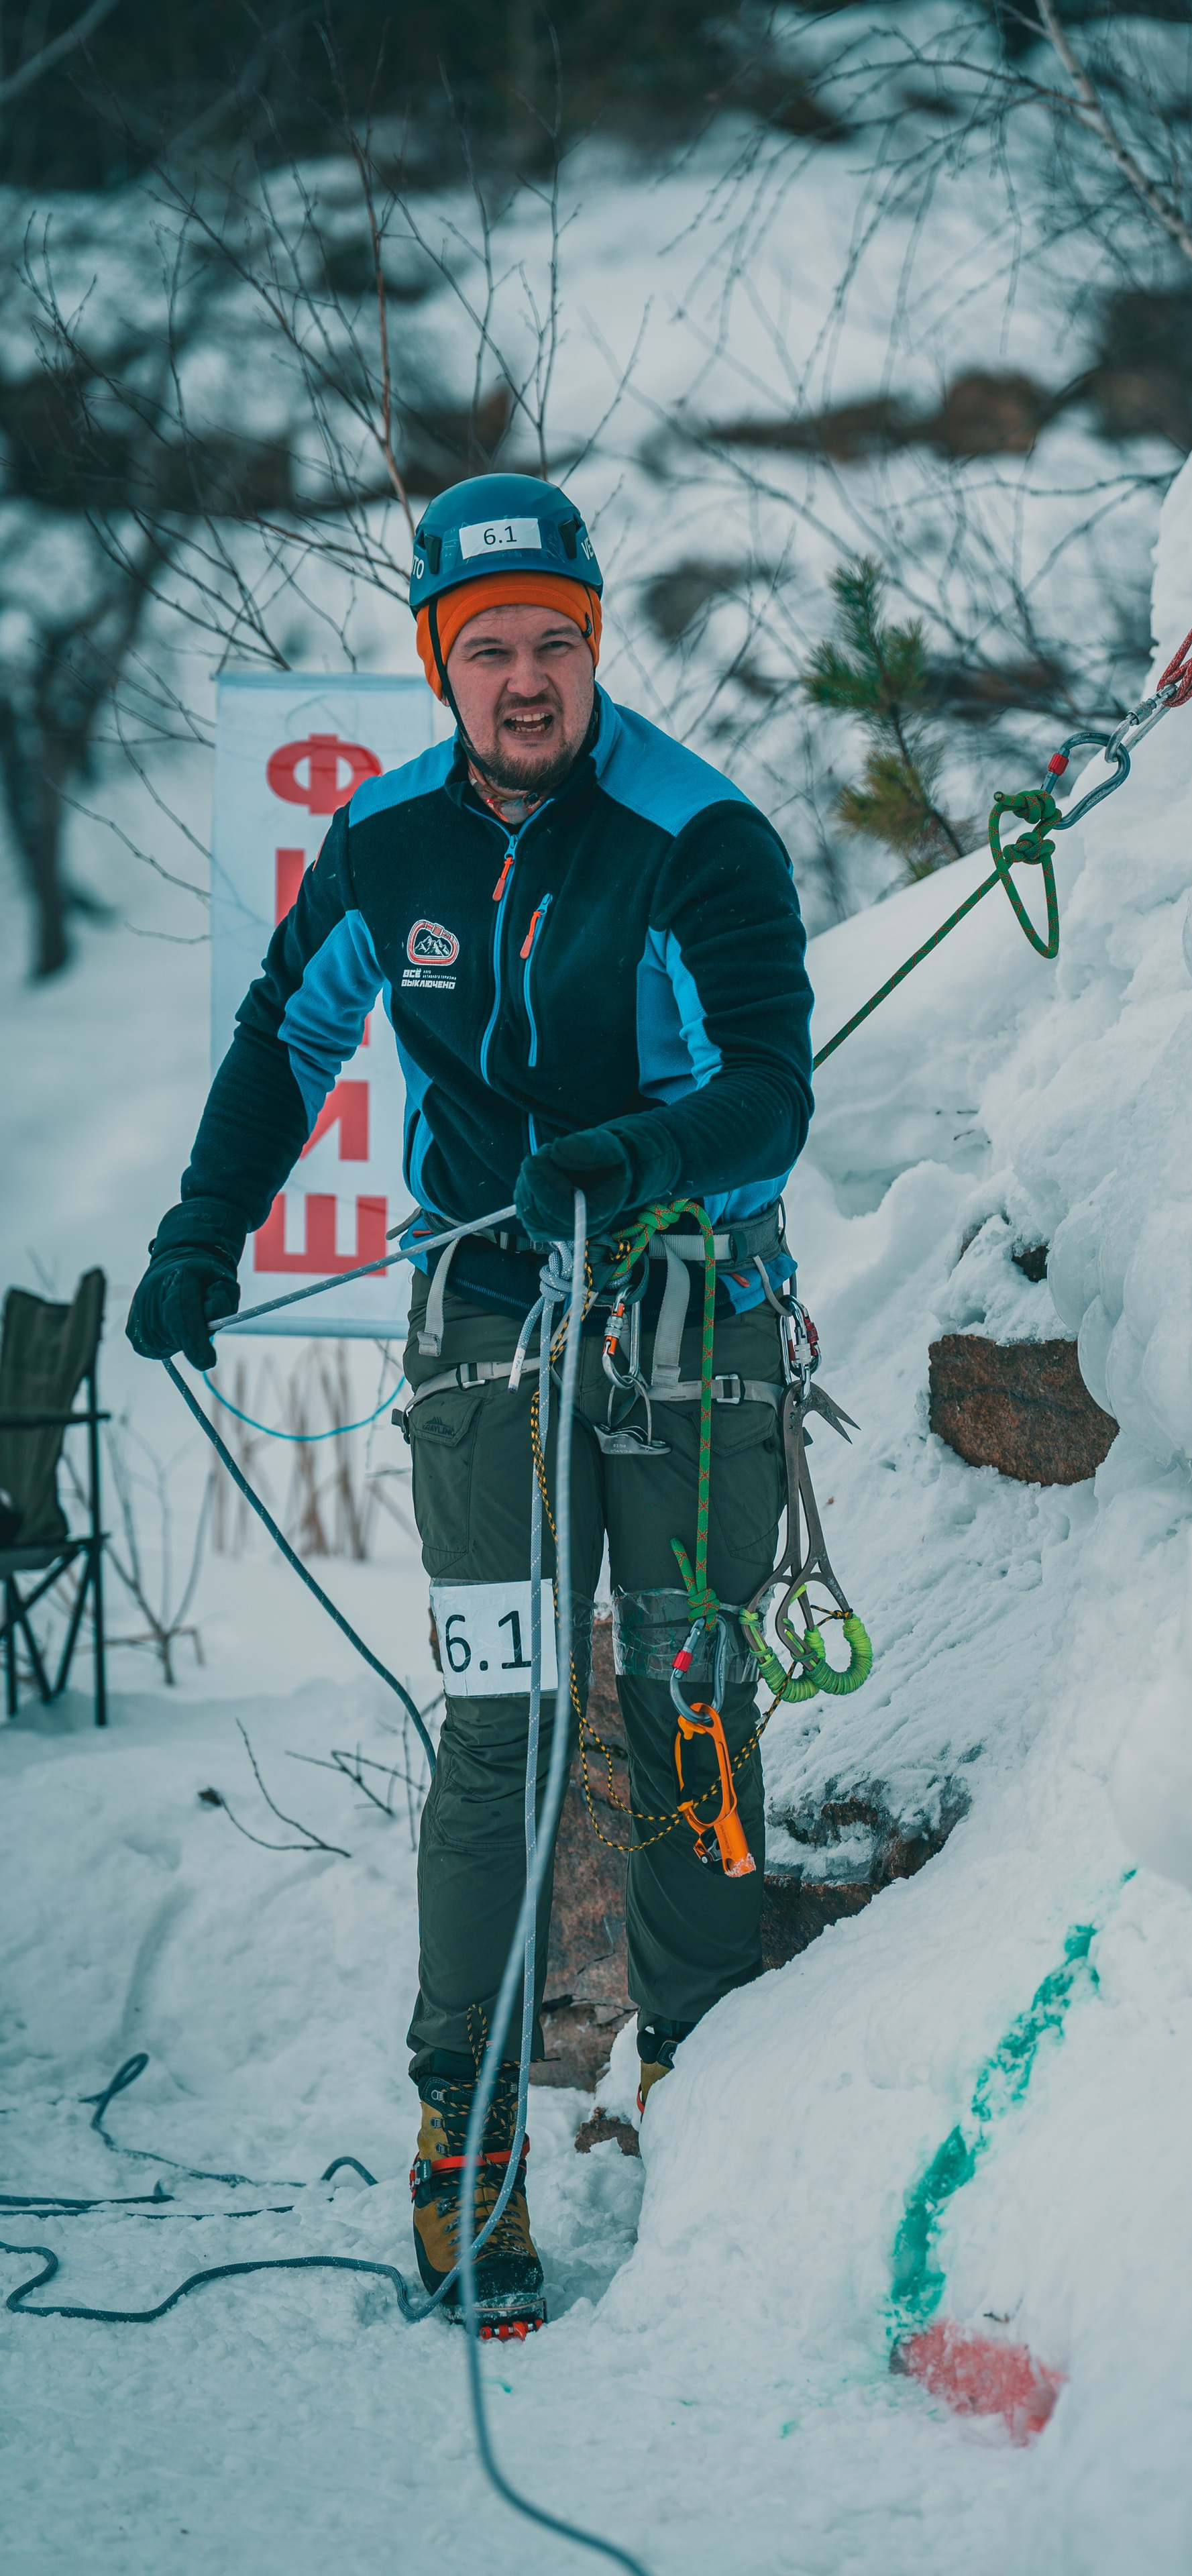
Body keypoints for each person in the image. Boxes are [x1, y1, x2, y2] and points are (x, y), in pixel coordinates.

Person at [128, 474, 815, 2333]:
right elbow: (288, 1040)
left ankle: (713, 2087)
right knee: (500, 1724)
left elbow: (770, 1090)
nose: (529, 681)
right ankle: (468, 2137)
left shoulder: (699, 836)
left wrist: (638, 1153)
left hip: (685, 1316)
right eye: (492, 648)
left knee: (689, 1690)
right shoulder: (387, 842)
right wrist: (208, 1228)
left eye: (559, 645)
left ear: (599, 648)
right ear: (441, 663)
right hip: (488, 1326)